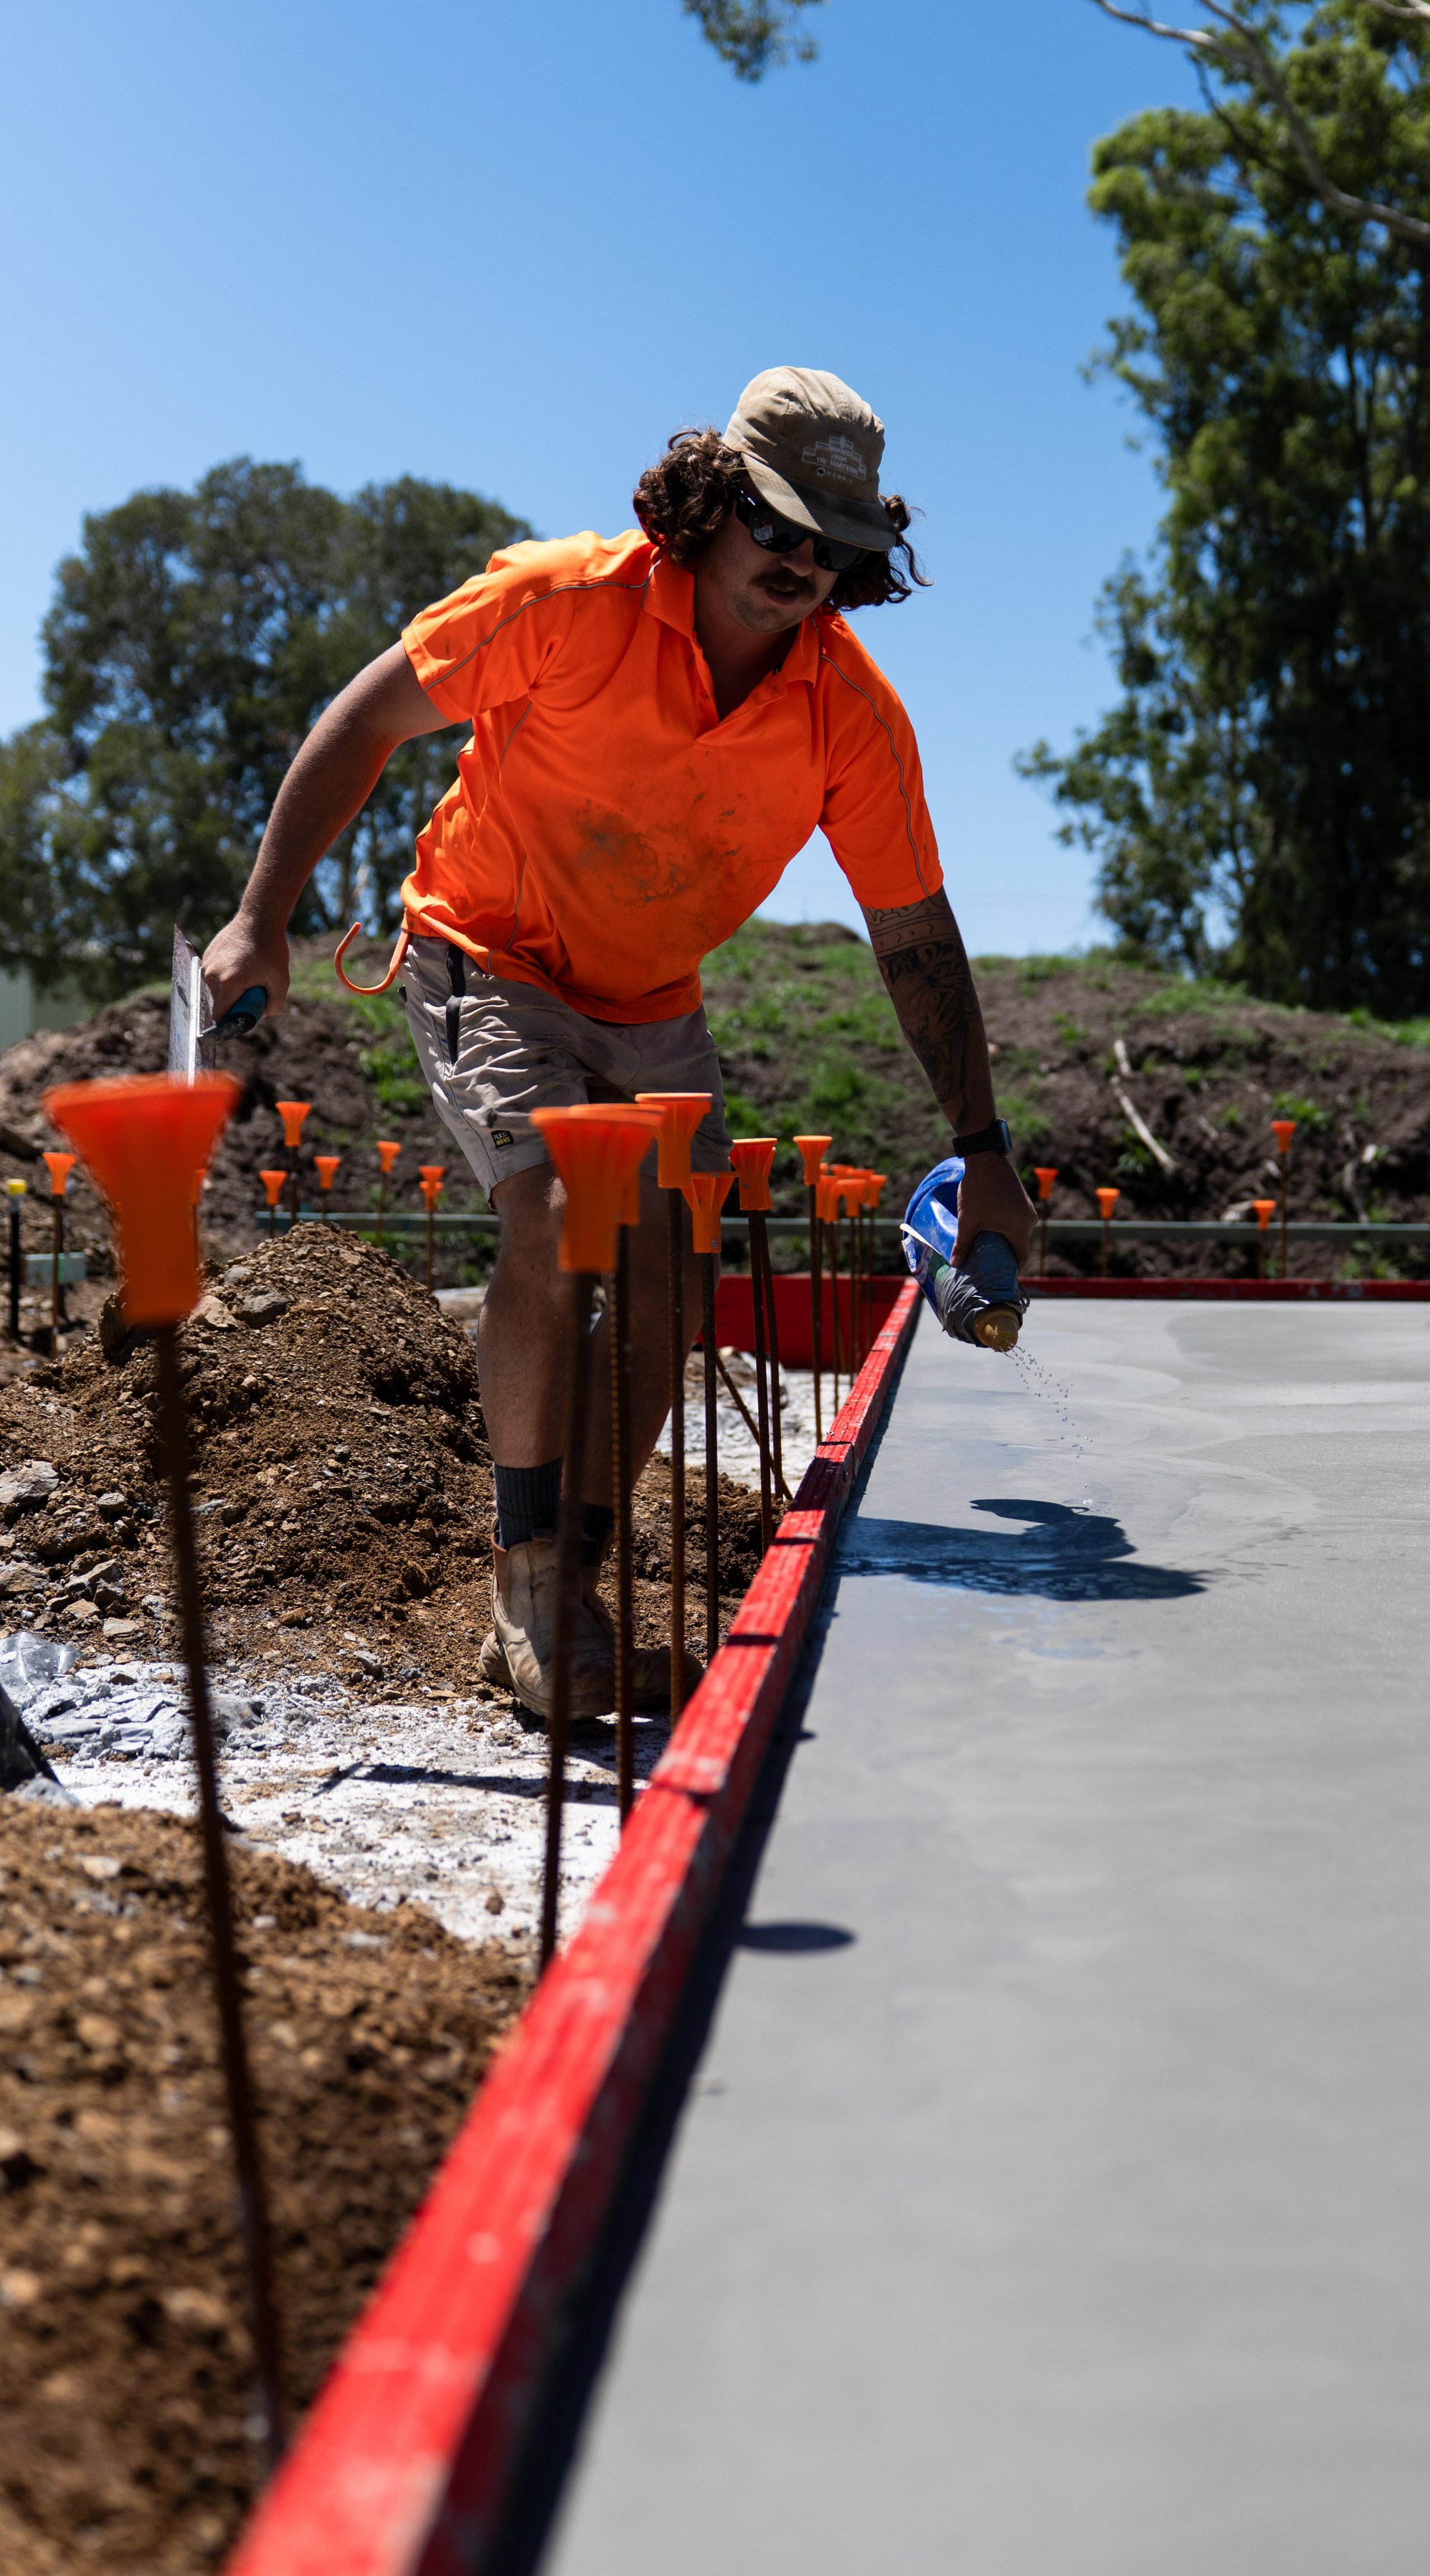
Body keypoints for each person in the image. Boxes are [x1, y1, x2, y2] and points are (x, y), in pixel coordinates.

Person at [203, 367, 1035, 1715]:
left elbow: (917, 940)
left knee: (669, 1280)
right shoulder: (566, 601)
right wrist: (261, 918)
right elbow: (365, 717)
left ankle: (568, 1580)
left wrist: (983, 1147)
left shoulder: (850, 715)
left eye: (837, 549)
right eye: (777, 529)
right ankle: (529, 1593)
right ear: (713, 505)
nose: (803, 566)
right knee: (546, 1214)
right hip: (492, 948)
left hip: (652, 998)